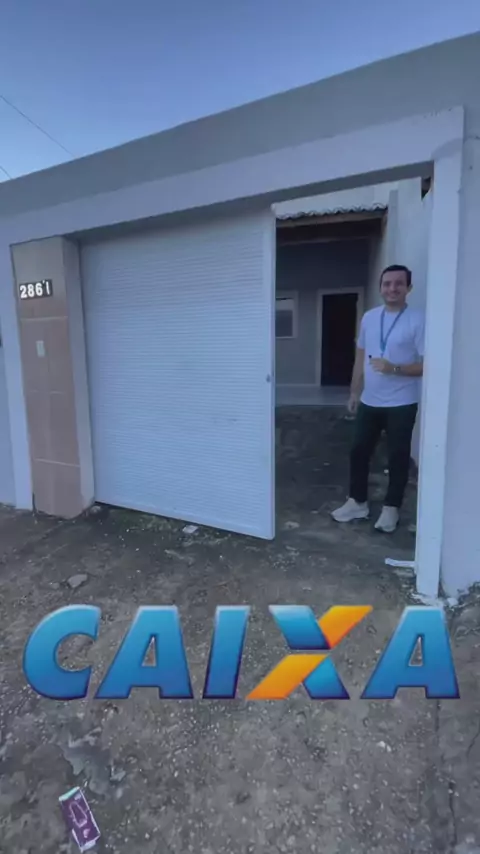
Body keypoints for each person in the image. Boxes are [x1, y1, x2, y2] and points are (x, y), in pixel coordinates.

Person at [331, 264, 425, 533]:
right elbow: (361, 355)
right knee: (359, 451)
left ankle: (391, 508)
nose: (392, 288)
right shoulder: (370, 318)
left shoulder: (418, 320)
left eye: (398, 283)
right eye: (387, 284)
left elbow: (428, 364)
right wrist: (354, 391)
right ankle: (357, 502)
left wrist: (394, 368)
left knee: (397, 457)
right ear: (381, 287)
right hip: (370, 401)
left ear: (408, 288)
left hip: (401, 403)